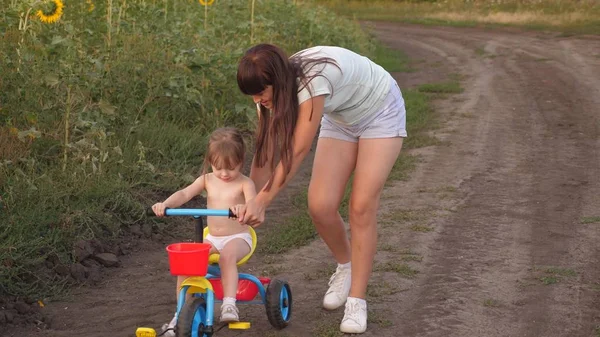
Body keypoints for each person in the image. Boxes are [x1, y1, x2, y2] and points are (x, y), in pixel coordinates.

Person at [235, 44, 407, 334]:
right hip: (342, 120)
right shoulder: (267, 90)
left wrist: (265, 199)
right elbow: (266, 149)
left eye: (261, 92)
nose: (257, 99)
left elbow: (298, 148)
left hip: (380, 110)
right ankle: (345, 266)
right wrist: (249, 199)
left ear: (278, 80)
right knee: (320, 205)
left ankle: (357, 300)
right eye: (252, 94)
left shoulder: (312, 80)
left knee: (361, 207)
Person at [151, 127, 256, 336]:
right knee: (186, 265)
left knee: (227, 257)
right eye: (218, 167)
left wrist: (243, 208)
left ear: (241, 161)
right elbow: (184, 193)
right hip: (212, 238)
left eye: (231, 168)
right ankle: (180, 313)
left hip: (239, 237)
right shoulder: (207, 179)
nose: (224, 173)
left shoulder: (245, 183)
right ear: (210, 161)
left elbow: (253, 203)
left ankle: (228, 303)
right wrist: (165, 204)